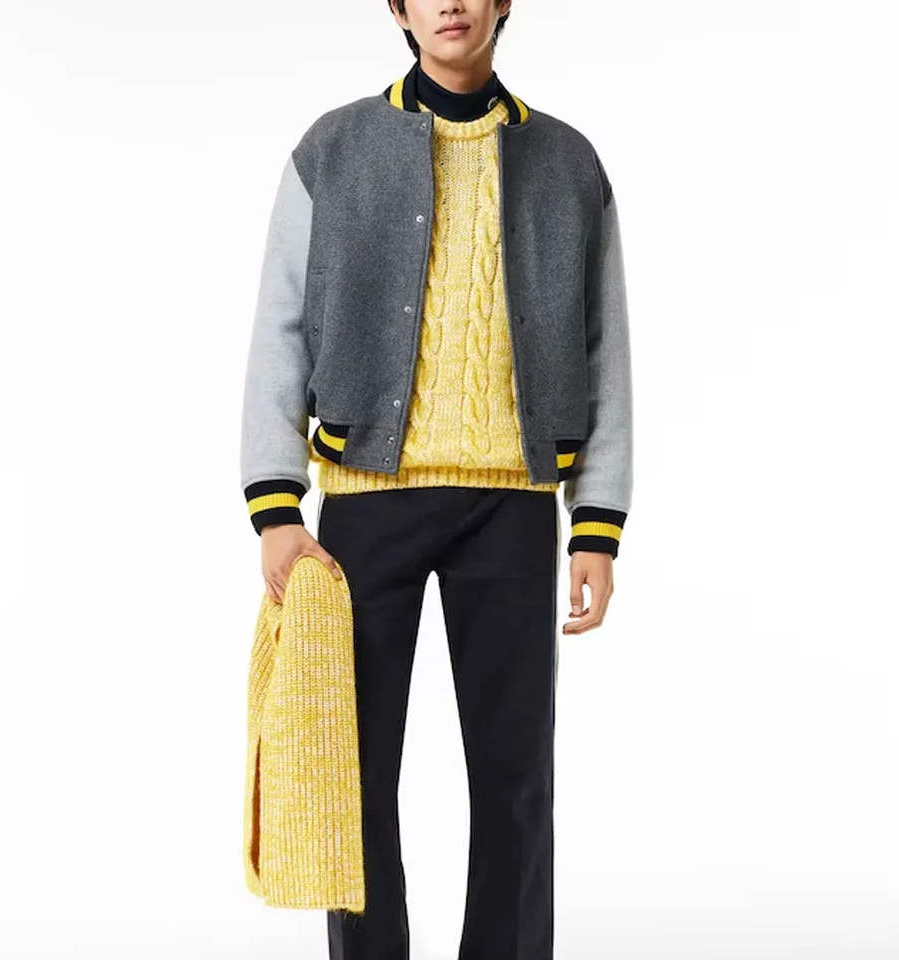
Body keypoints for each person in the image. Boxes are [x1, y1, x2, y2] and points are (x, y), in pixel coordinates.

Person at [239, 1, 633, 955]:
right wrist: (276, 504)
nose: (449, 4)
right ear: (399, 10)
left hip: (513, 505)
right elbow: (280, 326)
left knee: (515, 780)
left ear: (503, 3)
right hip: (365, 504)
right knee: (354, 777)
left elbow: (606, 350)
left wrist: (596, 522)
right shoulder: (333, 148)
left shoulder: (569, 164)